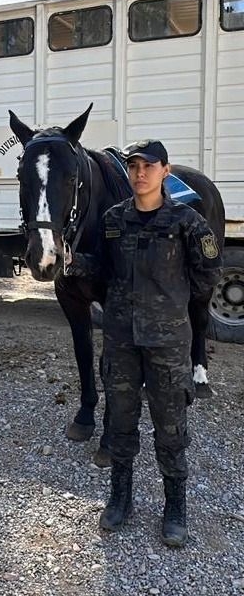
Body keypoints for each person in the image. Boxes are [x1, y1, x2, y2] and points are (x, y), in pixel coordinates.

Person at [96, 139, 221, 548]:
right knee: (120, 421)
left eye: (148, 166)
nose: (139, 173)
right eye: (133, 166)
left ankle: (175, 507)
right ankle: (120, 498)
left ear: (165, 171)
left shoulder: (186, 221)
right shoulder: (113, 220)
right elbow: (100, 269)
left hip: (167, 344)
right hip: (121, 343)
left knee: (170, 429)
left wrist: (172, 305)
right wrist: (70, 262)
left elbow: (207, 274)